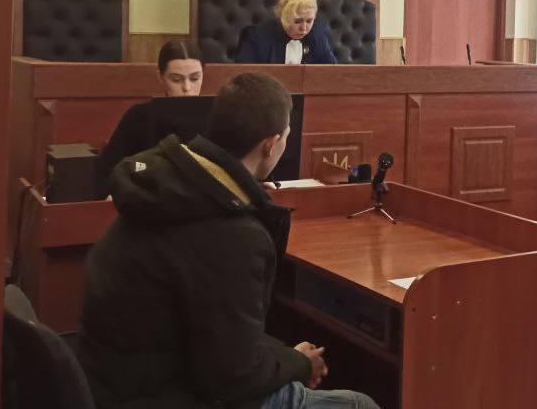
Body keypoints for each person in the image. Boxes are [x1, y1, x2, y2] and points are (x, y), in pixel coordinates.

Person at [78, 73, 380, 409]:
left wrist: (286, 357)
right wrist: (299, 363)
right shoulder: (232, 233)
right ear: (271, 145)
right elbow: (234, 376)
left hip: (113, 380)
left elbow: (216, 327)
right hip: (167, 393)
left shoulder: (167, 187)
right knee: (360, 404)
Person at [93, 40, 205, 198]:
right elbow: (106, 172)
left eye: (195, 78)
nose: (187, 88)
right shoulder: (139, 116)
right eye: (176, 79)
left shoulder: (218, 116)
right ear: (161, 77)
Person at [235, 0, 336, 65]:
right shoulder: (257, 36)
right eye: (297, 21)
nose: (304, 28)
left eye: (309, 21)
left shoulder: (318, 34)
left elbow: (332, 72)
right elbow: (245, 76)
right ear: (282, 17)